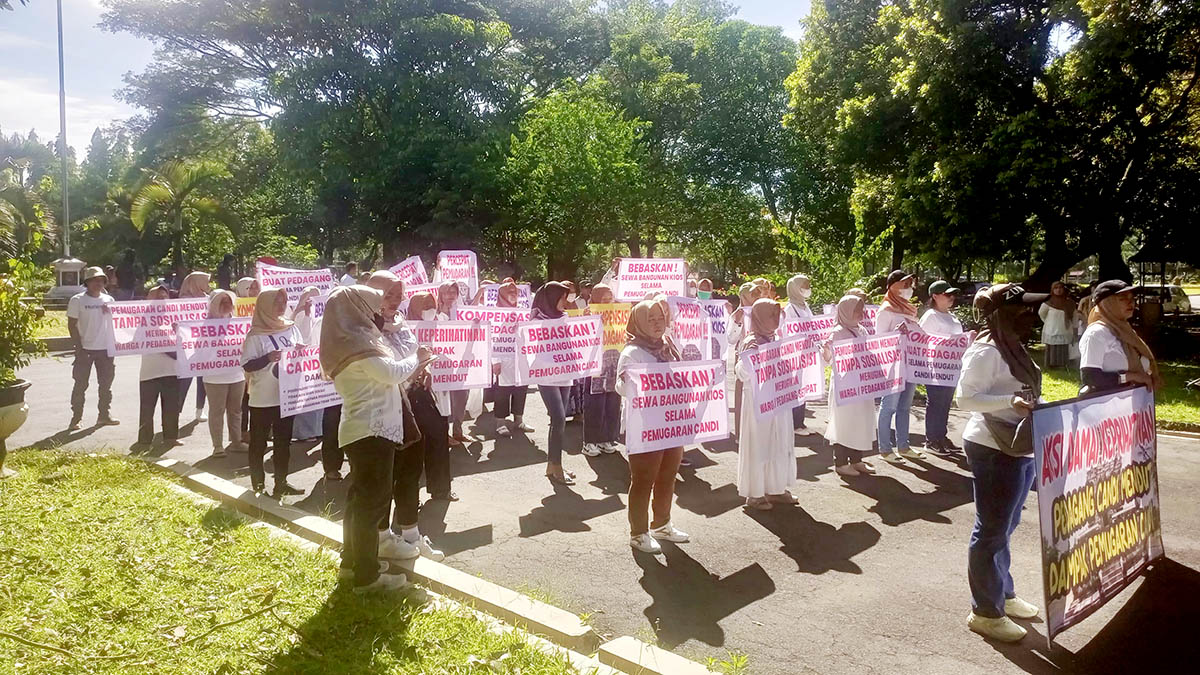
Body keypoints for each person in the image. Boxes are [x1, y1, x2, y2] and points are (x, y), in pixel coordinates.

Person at [956, 283, 1047, 643]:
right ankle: (985, 612)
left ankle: (1003, 594)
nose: (1031, 314)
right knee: (991, 530)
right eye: (1022, 308)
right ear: (1003, 314)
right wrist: (1012, 400)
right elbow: (965, 398)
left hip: (1016, 444)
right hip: (993, 447)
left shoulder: (1013, 346)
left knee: (1007, 524)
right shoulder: (987, 350)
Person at [320, 284, 421, 594]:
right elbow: (391, 373)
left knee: (359, 503)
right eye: (372, 306)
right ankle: (368, 577)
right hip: (371, 431)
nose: (377, 312)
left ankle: (351, 565)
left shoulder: (350, 340)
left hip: (366, 429)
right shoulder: (356, 345)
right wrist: (419, 356)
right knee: (370, 505)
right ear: (357, 309)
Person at [617, 298, 689, 553]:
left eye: (660, 319)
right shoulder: (632, 352)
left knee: (668, 475)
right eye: (651, 320)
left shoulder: (668, 345)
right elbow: (622, 387)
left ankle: (662, 524)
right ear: (639, 323)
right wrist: (635, 382)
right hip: (645, 426)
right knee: (644, 478)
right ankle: (638, 533)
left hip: (671, 422)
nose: (658, 325)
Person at [736, 298, 799, 510]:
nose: (775, 319)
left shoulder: (775, 338)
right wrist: (751, 359)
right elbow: (741, 372)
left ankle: (776, 488)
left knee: (779, 443)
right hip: (758, 403)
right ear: (760, 317)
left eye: (776, 314)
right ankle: (755, 494)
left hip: (778, 400)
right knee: (759, 446)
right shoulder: (751, 341)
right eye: (771, 315)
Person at [240, 288, 302, 496]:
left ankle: (281, 482)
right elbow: (247, 366)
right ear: (265, 305)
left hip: (286, 397)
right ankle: (258, 485)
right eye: (277, 301)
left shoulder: (290, 328)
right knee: (258, 444)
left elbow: (298, 353)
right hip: (262, 398)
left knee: (283, 443)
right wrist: (267, 358)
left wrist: (301, 350)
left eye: (284, 301)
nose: (282, 305)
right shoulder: (255, 335)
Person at [405, 292, 456, 502]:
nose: (429, 309)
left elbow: (456, 351)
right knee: (413, 447)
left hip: (437, 394)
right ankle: (409, 496)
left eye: (432, 305)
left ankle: (441, 489)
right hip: (413, 394)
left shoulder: (443, 325)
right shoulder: (404, 331)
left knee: (439, 440)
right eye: (425, 305)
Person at [823, 295, 878, 477]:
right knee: (844, 423)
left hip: (861, 384)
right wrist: (826, 348)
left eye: (861, 310)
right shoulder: (837, 332)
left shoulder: (861, 330)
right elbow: (827, 360)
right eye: (856, 310)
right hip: (845, 386)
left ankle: (856, 459)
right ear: (846, 311)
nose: (860, 314)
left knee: (860, 421)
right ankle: (840, 462)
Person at [531, 281, 578, 485]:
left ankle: (553, 464)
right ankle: (557, 467)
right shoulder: (536, 321)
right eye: (561, 297)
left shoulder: (565, 318)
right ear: (551, 298)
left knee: (558, 421)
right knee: (558, 418)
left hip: (565, 372)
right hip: (546, 374)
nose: (565, 302)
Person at [1078, 280, 1161, 394]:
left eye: (1132, 298)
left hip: (1133, 406)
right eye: (1123, 298)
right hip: (1106, 406)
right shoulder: (1096, 334)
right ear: (1107, 303)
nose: (1130, 302)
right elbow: (1090, 377)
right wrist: (1132, 376)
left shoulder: (1126, 332)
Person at [875, 270, 923, 462]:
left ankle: (904, 446)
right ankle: (885, 448)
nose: (908, 289)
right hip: (893, 366)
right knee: (889, 406)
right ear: (892, 286)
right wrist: (895, 334)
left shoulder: (909, 309)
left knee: (905, 407)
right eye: (904, 284)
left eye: (910, 284)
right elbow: (879, 341)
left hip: (910, 364)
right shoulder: (885, 310)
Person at [67, 266, 118, 429]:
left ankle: (104, 415)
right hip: (85, 349)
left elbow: (117, 323)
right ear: (87, 282)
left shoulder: (109, 300)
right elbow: (72, 325)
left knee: (106, 384)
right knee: (81, 384)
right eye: (94, 280)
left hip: (105, 349)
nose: (98, 283)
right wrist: (79, 347)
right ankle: (76, 418)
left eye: (101, 280)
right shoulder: (77, 300)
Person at [920, 280, 965, 456]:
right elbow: (922, 341)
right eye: (947, 295)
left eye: (952, 294)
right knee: (936, 401)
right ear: (935, 296)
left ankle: (941, 435)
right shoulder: (931, 316)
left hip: (951, 367)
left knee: (945, 402)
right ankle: (931, 439)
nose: (951, 298)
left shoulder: (952, 317)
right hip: (936, 366)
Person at [135, 284, 180, 448]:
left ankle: (171, 437)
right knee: (147, 408)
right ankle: (144, 439)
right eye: (157, 297)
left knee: (171, 406)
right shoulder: (141, 319)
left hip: (172, 370)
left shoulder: (175, 317)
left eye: (164, 297)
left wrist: (178, 331)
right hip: (150, 371)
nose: (161, 300)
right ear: (148, 300)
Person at [204, 289, 246, 457]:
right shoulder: (204, 325)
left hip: (236, 374)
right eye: (222, 302)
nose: (227, 305)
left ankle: (236, 442)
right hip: (214, 376)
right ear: (215, 305)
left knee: (235, 410)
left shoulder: (238, 324)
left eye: (229, 302)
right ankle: (218, 446)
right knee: (217, 410)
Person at [582, 283, 621, 456]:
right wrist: (585, 318)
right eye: (604, 299)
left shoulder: (620, 315)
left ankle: (607, 438)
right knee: (595, 405)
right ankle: (590, 441)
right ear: (596, 299)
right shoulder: (589, 314)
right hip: (595, 368)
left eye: (610, 299)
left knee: (612, 404)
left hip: (613, 365)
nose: (608, 302)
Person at [491, 281, 532, 437]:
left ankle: (519, 420)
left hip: (521, 358)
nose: (513, 294)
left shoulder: (522, 312)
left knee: (521, 389)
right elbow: (492, 338)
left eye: (515, 291)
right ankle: (500, 422)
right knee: (503, 391)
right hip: (503, 358)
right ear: (501, 294)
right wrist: (495, 361)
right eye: (509, 291)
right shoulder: (495, 313)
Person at [288, 286, 324, 441]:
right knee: (304, 396)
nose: (311, 301)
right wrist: (305, 314)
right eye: (309, 297)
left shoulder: (322, 316)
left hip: (317, 359)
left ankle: (317, 429)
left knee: (317, 396)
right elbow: (301, 336)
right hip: (302, 360)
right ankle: (304, 432)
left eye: (315, 297)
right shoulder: (298, 314)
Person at [784, 274, 817, 437]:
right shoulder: (790, 309)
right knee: (795, 387)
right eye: (804, 285)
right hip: (794, 354)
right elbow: (787, 333)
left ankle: (800, 422)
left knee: (803, 387)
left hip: (806, 353)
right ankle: (794, 423)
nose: (807, 288)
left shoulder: (804, 306)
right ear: (795, 288)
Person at [177, 271, 211, 422]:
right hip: (188, 344)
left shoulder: (208, 299)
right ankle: (176, 411)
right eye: (205, 281)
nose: (208, 285)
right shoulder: (184, 300)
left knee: (202, 379)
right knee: (185, 378)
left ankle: (200, 409)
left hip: (204, 343)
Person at [1038, 281, 1076, 369]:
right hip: (1052, 329)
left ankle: (1062, 365)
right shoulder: (1048, 303)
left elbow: (1074, 317)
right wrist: (1048, 323)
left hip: (1065, 329)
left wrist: (1075, 328)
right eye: (1056, 288)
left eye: (1060, 288)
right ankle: (1051, 364)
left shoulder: (1070, 303)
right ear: (1052, 290)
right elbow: (1042, 314)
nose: (1058, 290)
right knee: (1052, 347)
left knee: (1063, 347)